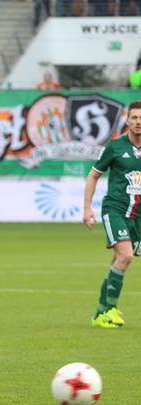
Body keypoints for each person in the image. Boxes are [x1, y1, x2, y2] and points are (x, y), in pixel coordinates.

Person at [83, 100, 141, 328]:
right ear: (127, 120)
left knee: (118, 261)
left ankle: (100, 313)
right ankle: (110, 309)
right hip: (115, 209)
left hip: (137, 215)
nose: (138, 122)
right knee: (125, 256)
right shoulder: (115, 147)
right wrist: (87, 208)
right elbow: (93, 175)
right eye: (134, 117)